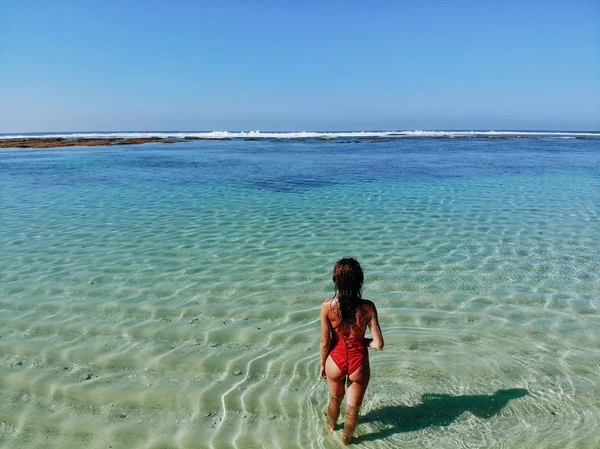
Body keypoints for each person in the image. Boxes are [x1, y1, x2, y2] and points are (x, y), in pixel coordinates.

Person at [320, 258, 384, 445]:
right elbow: (378, 344)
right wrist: (359, 341)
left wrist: (322, 364)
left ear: (336, 281)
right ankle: (346, 440)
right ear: (360, 281)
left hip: (335, 361)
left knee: (335, 400)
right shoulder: (368, 307)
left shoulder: (327, 306)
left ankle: (330, 428)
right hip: (359, 364)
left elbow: (325, 341)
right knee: (353, 410)